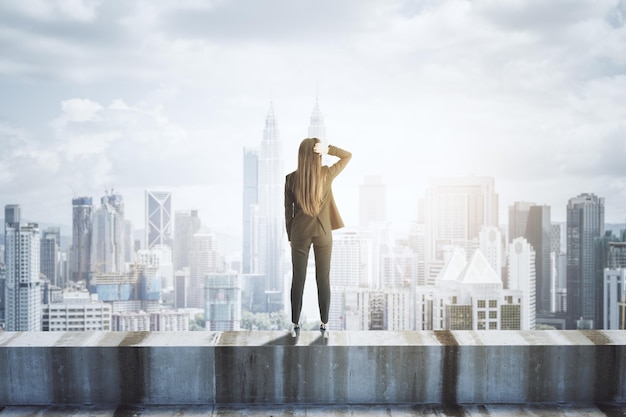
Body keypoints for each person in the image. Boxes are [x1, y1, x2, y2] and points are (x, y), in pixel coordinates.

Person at [284, 138, 352, 338]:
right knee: (323, 278)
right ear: (318, 154)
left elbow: (288, 212)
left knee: (298, 278)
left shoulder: (290, 179)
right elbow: (348, 155)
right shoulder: (326, 174)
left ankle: (295, 323)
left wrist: (290, 235)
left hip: (299, 233)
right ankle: (324, 323)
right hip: (323, 232)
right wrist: (329, 149)